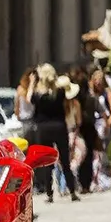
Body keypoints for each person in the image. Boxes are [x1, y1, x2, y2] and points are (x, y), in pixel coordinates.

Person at [27, 63, 79, 203]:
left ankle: (49, 194)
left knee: (47, 163)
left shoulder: (38, 94)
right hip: (59, 126)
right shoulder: (59, 92)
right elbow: (69, 96)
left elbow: (29, 99)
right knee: (65, 160)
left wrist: (32, 82)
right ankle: (72, 191)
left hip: (43, 128)